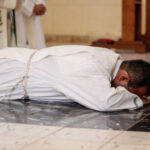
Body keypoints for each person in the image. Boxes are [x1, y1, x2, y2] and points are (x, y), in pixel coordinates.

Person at [0, 45, 150, 112]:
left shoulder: (108, 60)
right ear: (124, 78)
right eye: (135, 92)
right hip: (7, 74)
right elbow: (104, 102)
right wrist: (138, 101)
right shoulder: (90, 67)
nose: (135, 95)